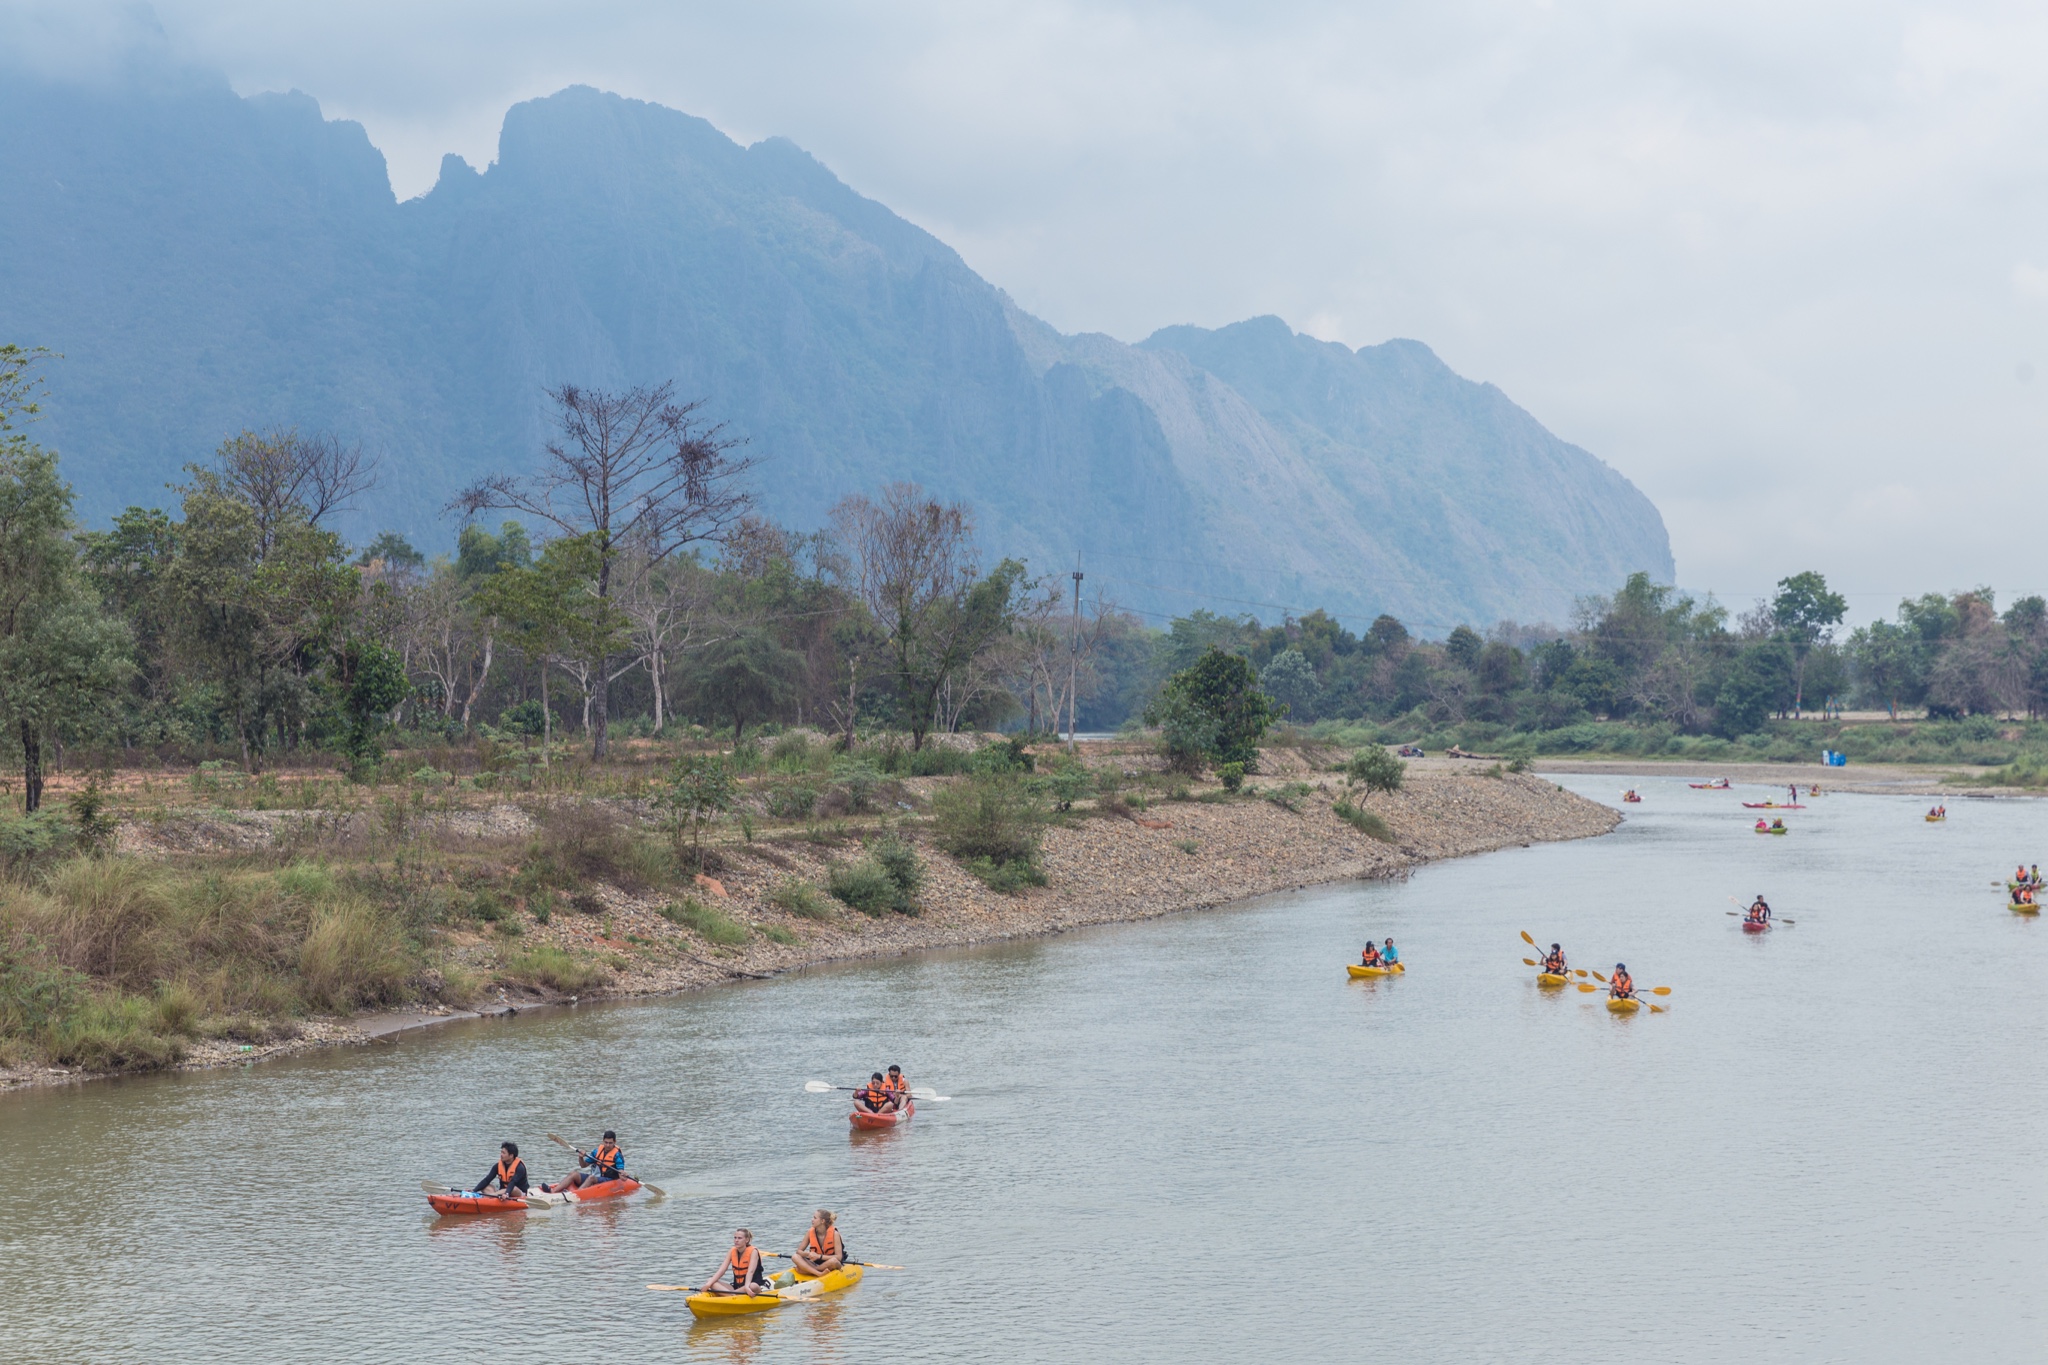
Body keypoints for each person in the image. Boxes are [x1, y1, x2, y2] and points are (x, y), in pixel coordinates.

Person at [544, 1130, 624, 1193]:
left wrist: (622, 1174)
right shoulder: (597, 1152)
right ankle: (553, 1191)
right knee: (573, 1173)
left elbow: (620, 1171)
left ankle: (575, 1194)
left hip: (608, 1179)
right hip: (597, 1177)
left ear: (615, 1142)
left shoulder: (617, 1155)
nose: (607, 1145)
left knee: (591, 1177)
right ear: (603, 1141)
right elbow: (583, 1165)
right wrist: (581, 1157)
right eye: (606, 1142)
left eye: (610, 1143)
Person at [701, 1228, 772, 1297]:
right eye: (735, 1238)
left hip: (752, 1286)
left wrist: (747, 1287)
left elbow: (750, 1272)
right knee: (710, 1280)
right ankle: (732, 1296)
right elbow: (722, 1270)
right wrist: (708, 1284)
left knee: (752, 1286)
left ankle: (728, 1295)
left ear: (747, 1240)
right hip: (737, 1288)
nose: (736, 1240)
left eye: (739, 1238)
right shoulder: (732, 1251)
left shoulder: (753, 1251)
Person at [791, 1209, 846, 1277]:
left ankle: (811, 1270)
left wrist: (818, 1256)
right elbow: (799, 1251)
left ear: (822, 1221)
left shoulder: (835, 1234)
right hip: (815, 1263)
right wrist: (808, 1254)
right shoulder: (809, 1232)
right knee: (795, 1257)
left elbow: (839, 1257)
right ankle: (819, 1273)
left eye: (815, 1218)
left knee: (834, 1261)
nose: (812, 1220)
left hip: (829, 1263)